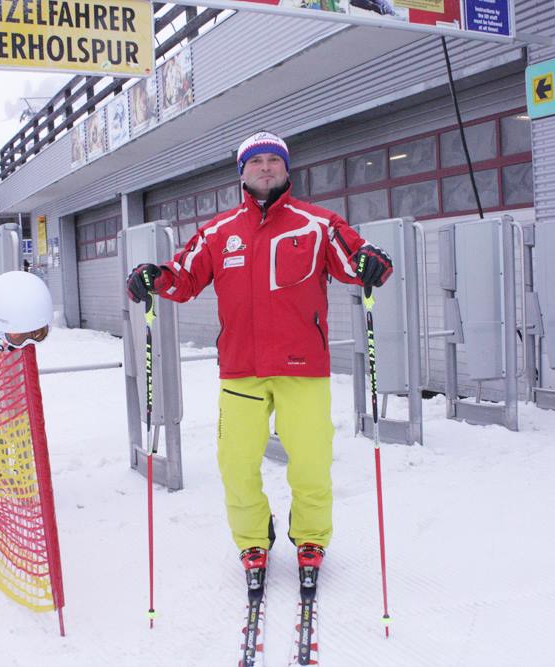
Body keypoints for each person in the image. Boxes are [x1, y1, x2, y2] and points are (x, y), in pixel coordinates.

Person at [126, 131, 393, 588]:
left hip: (302, 366)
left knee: (311, 462)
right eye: (256, 162)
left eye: (274, 160)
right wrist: (154, 277)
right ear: (242, 172)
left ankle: (310, 537)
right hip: (240, 370)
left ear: (286, 170)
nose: (265, 167)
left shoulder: (317, 224)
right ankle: (252, 538)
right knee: (235, 462)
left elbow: (353, 260)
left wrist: (372, 261)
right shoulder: (219, 231)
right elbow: (185, 278)